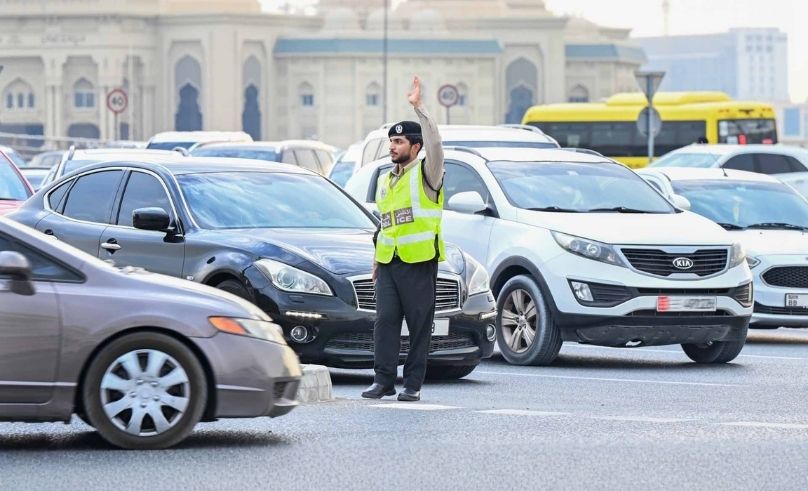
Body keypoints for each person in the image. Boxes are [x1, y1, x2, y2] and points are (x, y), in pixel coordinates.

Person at [361, 75, 445, 402]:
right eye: (390, 142)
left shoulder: (428, 173)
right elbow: (385, 222)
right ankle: (383, 380)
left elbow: (436, 144)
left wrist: (420, 109)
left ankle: (412, 384)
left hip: (419, 262)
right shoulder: (386, 178)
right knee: (385, 323)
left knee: (419, 325)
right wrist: (376, 260)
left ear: (415, 146)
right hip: (388, 263)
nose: (393, 147)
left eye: (398, 142)